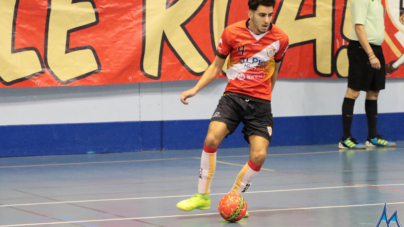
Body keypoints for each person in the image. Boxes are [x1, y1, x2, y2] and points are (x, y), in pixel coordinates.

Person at [176, 0, 289, 217]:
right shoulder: (232, 33)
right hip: (233, 97)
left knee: (259, 155)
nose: (267, 20)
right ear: (250, 13)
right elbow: (216, 66)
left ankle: (234, 198)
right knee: (211, 139)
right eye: (262, 15)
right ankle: (202, 196)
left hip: (261, 104)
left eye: (270, 15)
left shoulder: (280, 39)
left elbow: (275, 71)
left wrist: (265, 96)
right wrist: (195, 89)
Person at [339, 0, 396, 149]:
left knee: (373, 92)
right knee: (354, 91)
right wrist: (370, 54)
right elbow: (359, 27)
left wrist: (374, 52)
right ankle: (345, 139)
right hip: (361, 49)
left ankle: (372, 137)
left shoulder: (377, 1)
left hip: (376, 48)